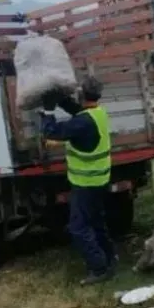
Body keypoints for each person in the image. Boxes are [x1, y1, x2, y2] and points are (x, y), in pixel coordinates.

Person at [40, 76, 117, 284]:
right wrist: (61, 100)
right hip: (99, 180)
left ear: (82, 95)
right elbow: (78, 112)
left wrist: (47, 111)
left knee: (78, 228)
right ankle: (110, 258)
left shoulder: (82, 122)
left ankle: (99, 268)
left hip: (86, 184)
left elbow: (51, 132)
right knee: (97, 223)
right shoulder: (98, 113)